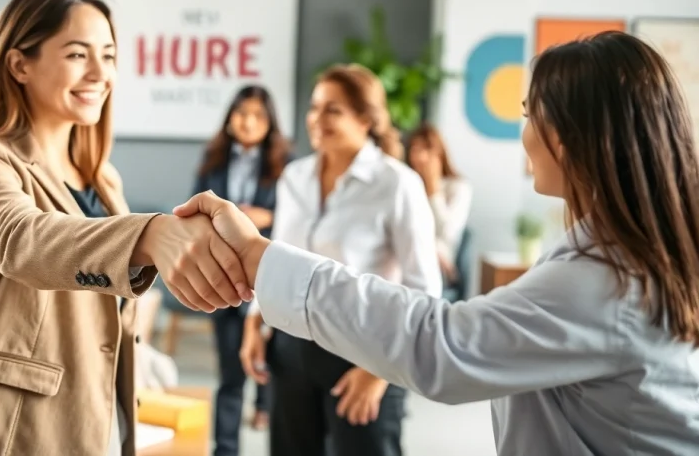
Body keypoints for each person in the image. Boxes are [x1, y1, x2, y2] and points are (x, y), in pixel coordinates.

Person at [177, 32, 699, 455]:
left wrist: (258, 256)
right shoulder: (615, 257)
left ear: (570, 135)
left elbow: (443, 345)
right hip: (304, 342)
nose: (526, 134)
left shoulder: (605, 282)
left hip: (364, 348)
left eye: (528, 115)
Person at [0, 0, 249, 456]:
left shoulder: (102, 179)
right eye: (78, 55)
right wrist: (151, 234)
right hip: (4, 431)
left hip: (95, 420)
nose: (100, 73)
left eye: (108, 55)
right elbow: (22, 241)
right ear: (20, 64)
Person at [240, 65, 440, 456]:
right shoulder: (294, 177)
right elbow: (277, 259)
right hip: (292, 349)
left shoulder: (397, 184)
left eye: (334, 110)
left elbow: (425, 290)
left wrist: (379, 374)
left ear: (366, 118)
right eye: (315, 108)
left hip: (364, 356)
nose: (317, 119)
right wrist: (254, 323)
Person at [194, 85, 291, 454]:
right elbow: (192, 211)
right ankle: (225, 449)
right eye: (241, 113)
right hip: (223, 275)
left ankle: (264, 407)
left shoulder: (287, 164)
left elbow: (302, 224)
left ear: (269, 123)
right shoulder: (213, 159)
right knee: (230, 373)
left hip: (269, 276)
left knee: (275, 369)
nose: (248, 122)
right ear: (230, 118)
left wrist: (270, 217)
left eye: (257, 115)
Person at [406, 123, 472, 289]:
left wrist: (433, 189)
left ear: (440, 153)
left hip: (439, 261)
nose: (420, 157)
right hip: (408, 252)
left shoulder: (458, 187)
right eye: (415, 149)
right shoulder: (408, 185)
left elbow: (448, 232)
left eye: (426, 149)